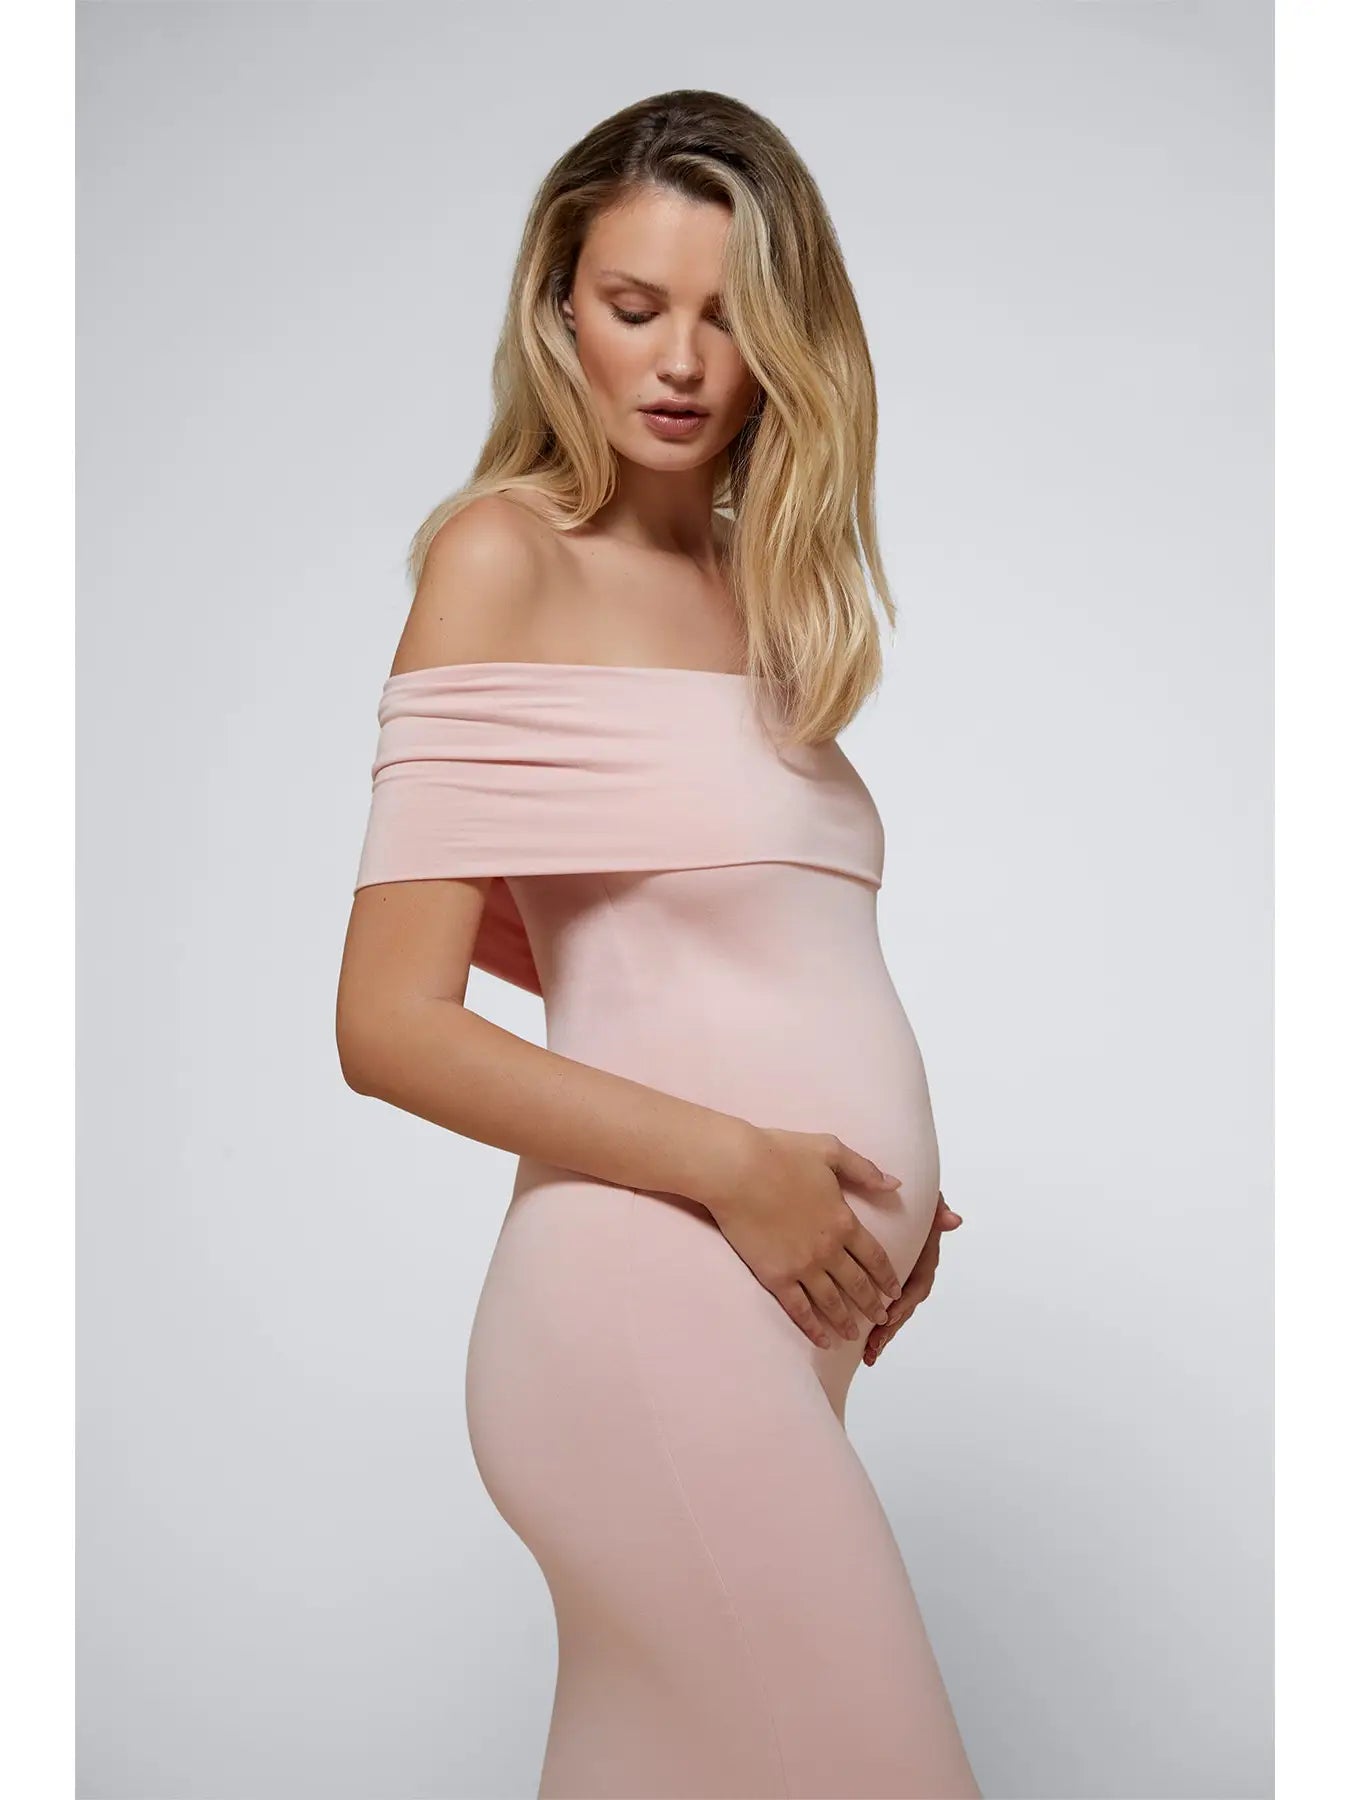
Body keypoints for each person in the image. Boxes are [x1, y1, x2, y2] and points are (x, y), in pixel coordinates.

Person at [336, 88, 981, 1800]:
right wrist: (745, 1164)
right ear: (560, 308)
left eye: (728, 314)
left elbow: (706, 956)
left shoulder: (759, 592)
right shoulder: (503, 555)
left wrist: (869, 1184)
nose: (682, 361)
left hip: (775, 1312)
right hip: (642, 1310)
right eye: (635, 307)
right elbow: (387, 1023)